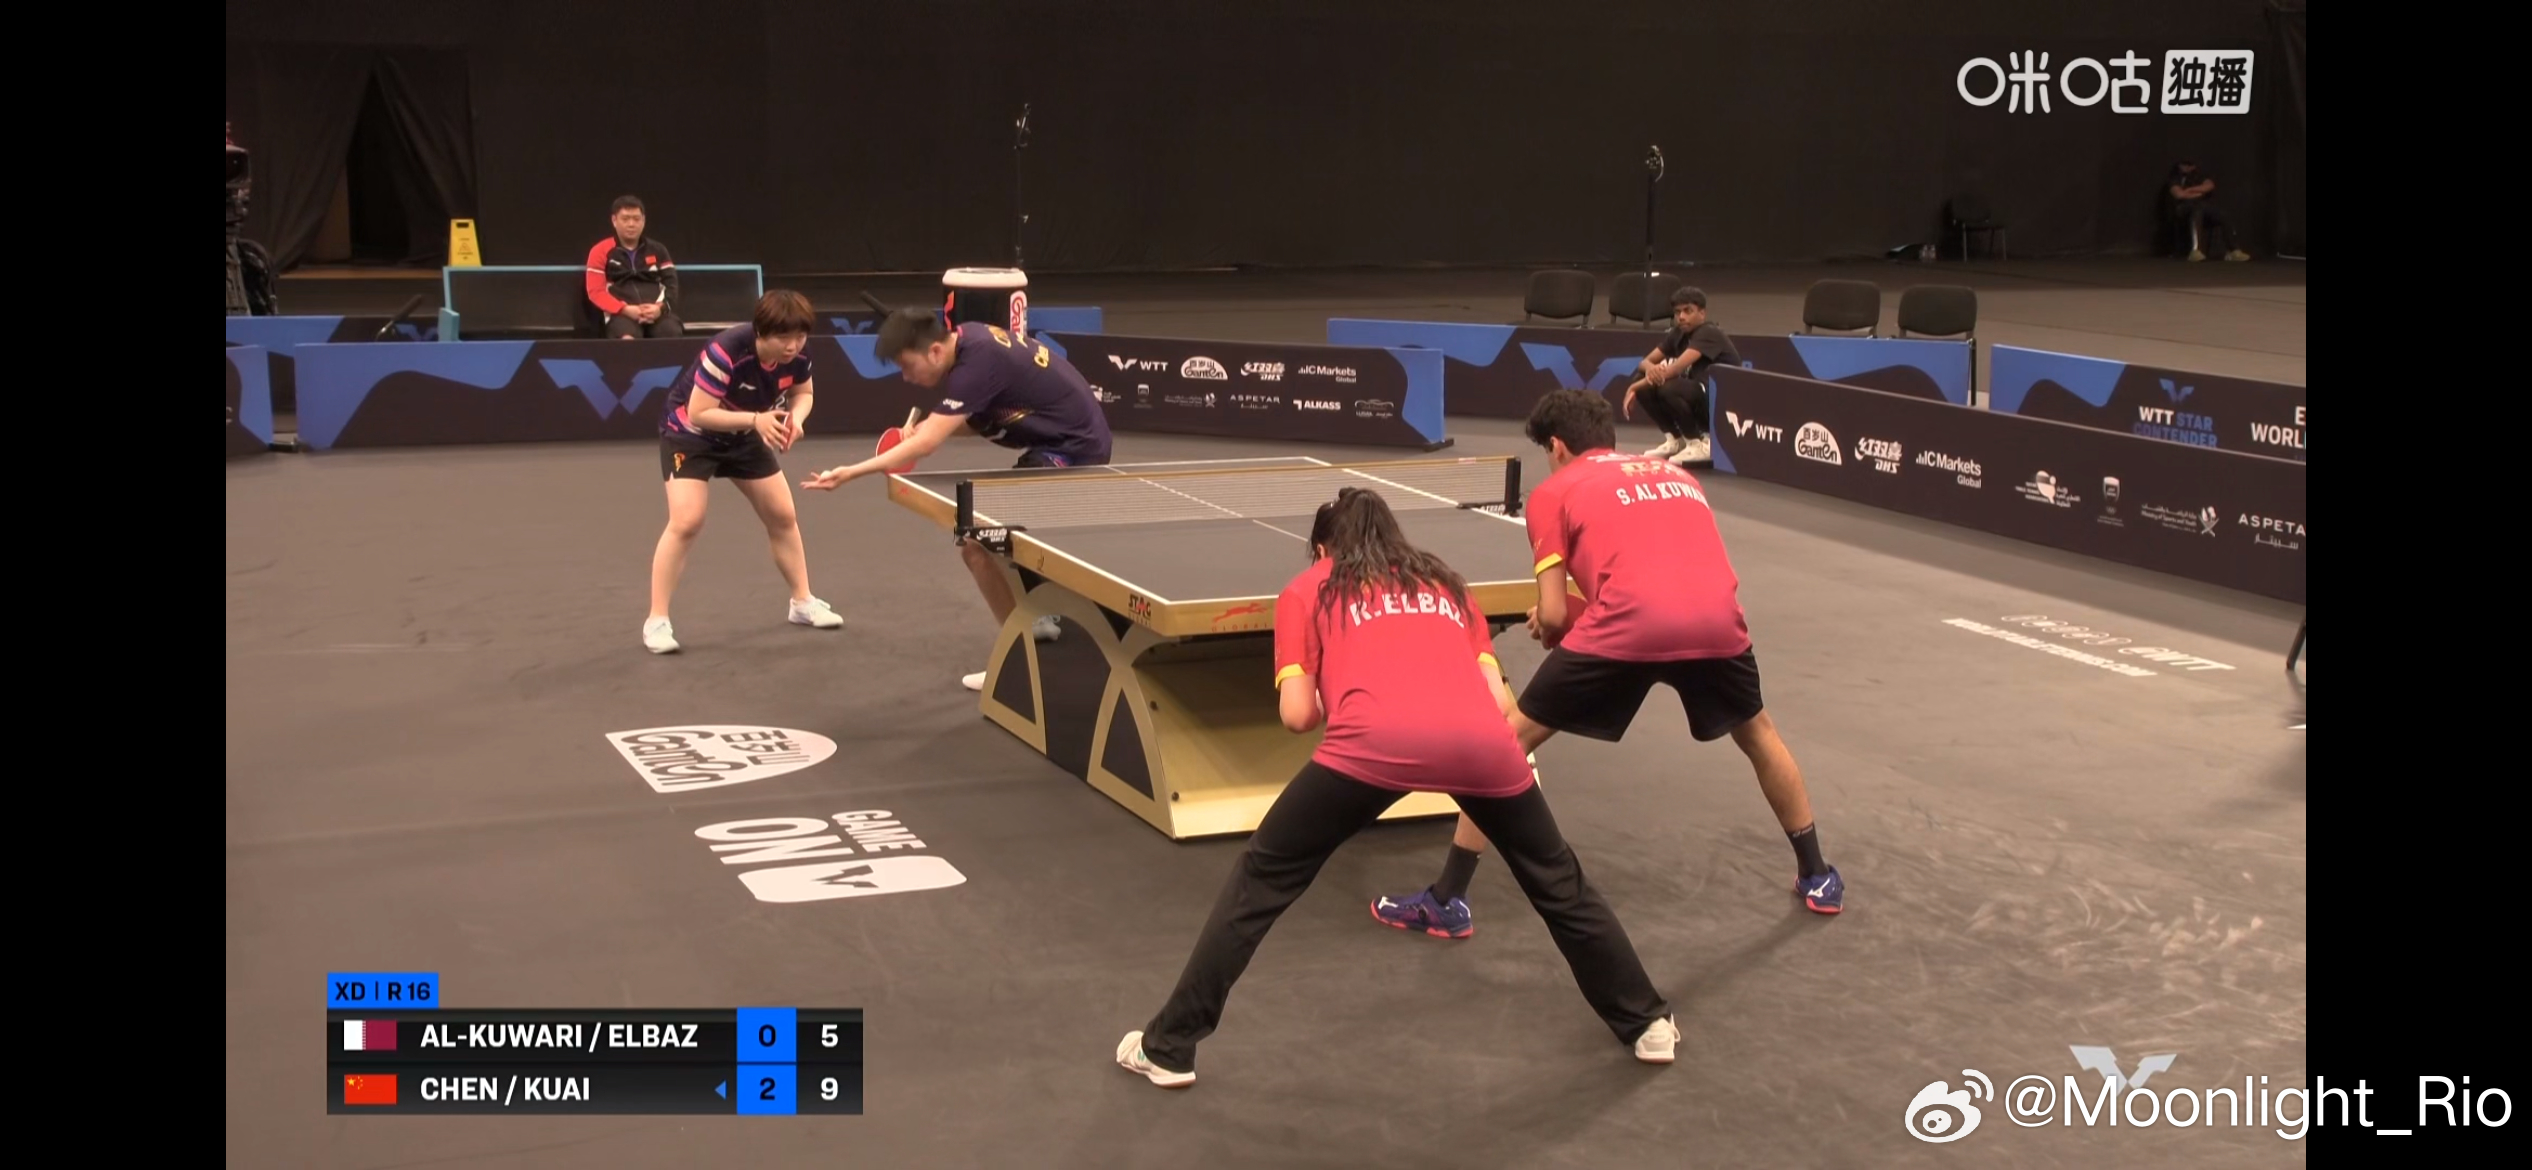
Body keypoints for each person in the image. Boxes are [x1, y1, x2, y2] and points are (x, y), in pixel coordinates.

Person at [1113, 487, 1680, 1088]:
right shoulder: (1448, 585)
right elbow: (1496, 699)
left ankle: (1169, 1048)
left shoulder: (1308, 589)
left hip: (1370, 746)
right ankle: (1646, 1021)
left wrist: (1342, 690)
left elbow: (1298, 715)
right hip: (1483, 747)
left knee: (1261, 880)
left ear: (1322, 549)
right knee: (1559, 881)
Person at [1371, 388, 1843, 939]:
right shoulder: (1680, 478)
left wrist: (1553, 622)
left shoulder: (1553, 493)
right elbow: (1663, 570)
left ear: (1556, 446)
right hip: (1716, 621)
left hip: (1627, 626)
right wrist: (1578, 615)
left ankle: (1448, 899)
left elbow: (1553, 614)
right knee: (1758, 733)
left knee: (1506, 742)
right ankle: (1817, 874)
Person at [802, 308, 1114, 689]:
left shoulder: (975, 365)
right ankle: (1035, 620)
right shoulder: (970, 341)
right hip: (1064, 441)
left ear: (934, 351)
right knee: (996, 540)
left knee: (977, 545)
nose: (906, 377)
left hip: (1074, 452)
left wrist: (851, 471)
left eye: (907, 366)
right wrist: (928, 427)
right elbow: (970, 419)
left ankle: (1017, 661)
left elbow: (929, 444)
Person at [641, 290, 843, 653]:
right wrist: (756, 420)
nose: (792, 346)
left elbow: (804, 394)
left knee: (782, 514)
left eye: (800, 336)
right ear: (761, 332)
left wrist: (796, 420)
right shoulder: (727, 351)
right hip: (690, 433)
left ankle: (802, 602)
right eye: (783, 337)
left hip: (744, 432)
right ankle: (656, 621)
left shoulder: (799, 354)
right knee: (687, 520)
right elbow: (700, 411)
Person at [1623, 287, 1737, 466]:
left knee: (1667, 387)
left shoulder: (1709, 332)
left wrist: (1633, 388)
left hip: (1722, 402)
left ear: (1702, 313)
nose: (1681, 317)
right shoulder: (1678, 333)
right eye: (1677, 312)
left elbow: (1674, 370)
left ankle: (1700, 444)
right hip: (1698, 394)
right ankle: (1676, 440)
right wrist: (1651, 369)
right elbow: (1644, 362)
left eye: (1687, 311)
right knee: (1642, 379)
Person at [587, 196, 684, 338]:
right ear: (614, 220)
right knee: (627, 337)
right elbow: (596, 292)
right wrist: (625, 309)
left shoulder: (658, 249)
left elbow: (671, 286)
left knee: (671, 332)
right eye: (625, 219)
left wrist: (659, 308)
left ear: (643, 220)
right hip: (620, 315)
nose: (631, 224)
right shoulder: (599, 251)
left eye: (636, 219)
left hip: (657, 313)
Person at [2165, 161, 2251, 262]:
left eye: (2189, 165)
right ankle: (2195, 250)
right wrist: (2198, 193)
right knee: (2197, 211)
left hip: (2203, 207)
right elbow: (2179, 194)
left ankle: (2234, 250)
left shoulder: (2200, 176)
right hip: (2184, 209)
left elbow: (2209, 186)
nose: (2187, 167)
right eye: (2184, 165)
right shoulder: (2175, 178)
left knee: (2222, 215)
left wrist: (2190, 190)